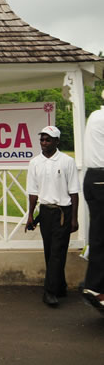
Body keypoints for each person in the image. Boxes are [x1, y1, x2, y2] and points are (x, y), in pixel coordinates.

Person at [26, 126, 80, 307]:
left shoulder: (67, 161)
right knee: (50, 252)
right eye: (42, 139)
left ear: (57, 141)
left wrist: (74, 218)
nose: (44, 143)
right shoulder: (35, 163)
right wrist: (30, 216)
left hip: (62, 213)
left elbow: (73, 192)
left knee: (57, 252)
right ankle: (60, 286)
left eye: (48, 140)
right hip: (45, 213)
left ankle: (49, 292)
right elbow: (33, 192)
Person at [82, 102, 104, 311]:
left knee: (99, 234)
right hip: (102, 177)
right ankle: (96, 287)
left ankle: (96, 286)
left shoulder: (95, 116)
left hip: (92, 178)